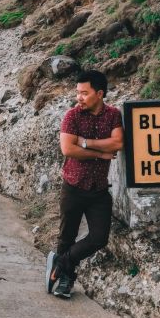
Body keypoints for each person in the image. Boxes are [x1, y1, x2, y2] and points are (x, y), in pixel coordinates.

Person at [46, 69, 123, 298]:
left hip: (98, 191)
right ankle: (65, 281)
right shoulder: (72, 116)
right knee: (66, 236)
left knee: (99, 238)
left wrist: (85, 143)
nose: (79, 97)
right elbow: (68, 149)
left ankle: (61, 263)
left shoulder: (113, 115)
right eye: (77, 92)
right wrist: (101, 153)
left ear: (99, 94)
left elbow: (117, 143)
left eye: (84, 93)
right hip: (73, 187)